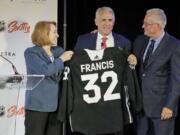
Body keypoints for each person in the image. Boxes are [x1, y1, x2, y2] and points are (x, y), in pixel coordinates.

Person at [133, 8, 180, 135]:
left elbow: (177, 80)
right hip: (142, 108)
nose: (143, 26)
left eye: (147, 24)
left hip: (162, 108)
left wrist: (170, 106)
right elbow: (125, 49)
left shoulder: (174, 45)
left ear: (157, 26)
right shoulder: (140, 41)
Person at [24, 21, 73, 135]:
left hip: (56, 108)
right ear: (44, 33)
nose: (58, 35)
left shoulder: (59, 51)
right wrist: (61, 60)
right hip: (37, 107)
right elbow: (45, 70)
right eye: (54, 32)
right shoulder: (31, 53)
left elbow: (76, 57)